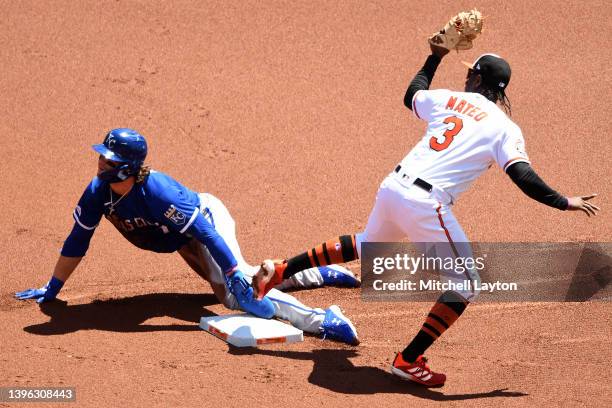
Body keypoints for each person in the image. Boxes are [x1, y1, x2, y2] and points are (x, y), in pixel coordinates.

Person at [252, 42, 600, 386]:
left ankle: (282, 269)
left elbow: (413, 94)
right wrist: (563, 201)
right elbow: (522, 176)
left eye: (469, 75)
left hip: (393, 187)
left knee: (366, 243)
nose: (465, 80)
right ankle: (408, 360)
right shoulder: (505, 129)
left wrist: (435, 56)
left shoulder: (449, 98)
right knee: (466, 285)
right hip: (424, 203)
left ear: (479, 80)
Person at [15, 128, 360, 345]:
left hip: (206, 224)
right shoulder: (97, 193)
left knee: (236, 295)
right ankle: (316, 272)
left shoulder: (159, 193)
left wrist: (230, 271)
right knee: (236, 283)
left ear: (128, 167)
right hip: (183, 239)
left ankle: (322, 319)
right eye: (103, 157)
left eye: (109, 159)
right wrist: (53, 288)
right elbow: (78, 240)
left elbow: (205, 232)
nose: (101, 164)